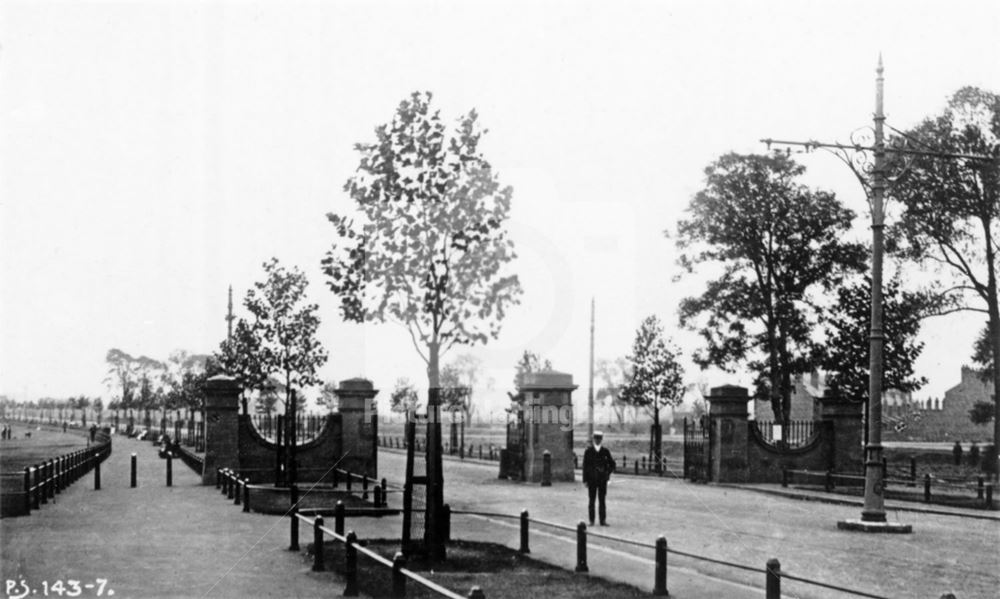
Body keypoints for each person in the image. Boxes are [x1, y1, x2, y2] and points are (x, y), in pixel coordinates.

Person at [582, 430, 615, 526]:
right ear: (593, 439)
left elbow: (612, 464)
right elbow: (585, 467)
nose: (597, 440)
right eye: (596, 438)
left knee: (602, 501)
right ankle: (591, 520)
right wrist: (585, 480)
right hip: (591, 480)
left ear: (601, 439)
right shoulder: (588, 451)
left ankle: (602, 520)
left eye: (599, 438)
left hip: (602, 480)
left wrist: (607, 473)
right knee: (591, 501)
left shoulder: (605, 451)